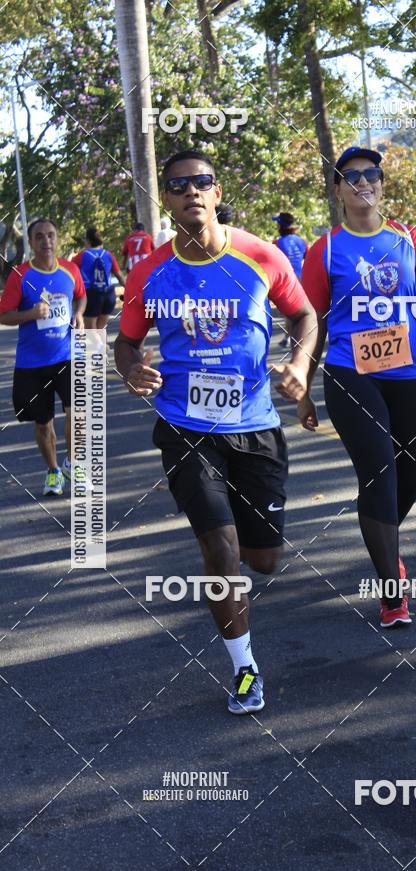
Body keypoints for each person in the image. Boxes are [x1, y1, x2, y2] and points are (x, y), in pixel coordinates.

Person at [114, 149, 317, 714]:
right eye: (178, 186)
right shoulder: (148, 272)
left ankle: (238, 579)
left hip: (254, 424)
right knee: (218, 546)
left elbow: (303, 314)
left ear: (217, 191)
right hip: (184, 425)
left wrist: (300, 367)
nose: (191, 192)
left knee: (263, 558)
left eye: (201, 182)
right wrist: (130, 368)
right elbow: (125, 339)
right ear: (168, 199)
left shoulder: (260, 254)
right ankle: (244, 667)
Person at [301, 146, 416, 627]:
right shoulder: (325, 249)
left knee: (405, 480)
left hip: (410, 375)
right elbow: (311, 323)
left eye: (371, 174)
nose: (362, 182)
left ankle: (386, 544)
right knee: (379, 472)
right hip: (352, 374)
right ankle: (392, 591)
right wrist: (304, 385)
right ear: (337, 190)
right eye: (351, 177)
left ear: (382, 183)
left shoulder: (410, 240)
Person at [0, 218, 86, 495]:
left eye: (50, 235)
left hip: (66, 355)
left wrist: (79, 314)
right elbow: (4, 314)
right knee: (42, 424)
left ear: (57, 238)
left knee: (76, 413)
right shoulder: (21, 275)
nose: (46, 241)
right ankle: (53, 472)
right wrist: (30, 314)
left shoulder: (70, 269)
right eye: (40, 237)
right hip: (32, 364)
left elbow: (81, 295)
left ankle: (72, 462)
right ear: (32, 242)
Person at [73, 226, 125, 329]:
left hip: (91, 295)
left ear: (87, 240)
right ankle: (102, 345)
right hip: (109, 295)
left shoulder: (82, 256)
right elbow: (120, 277)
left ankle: (100, 345)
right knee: (100, 330)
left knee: (90, 330)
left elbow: (69, 273)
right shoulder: (108, 255)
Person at [272, 212, 308, 348]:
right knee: (299, 311)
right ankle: (295, 338)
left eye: (277, 224)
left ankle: (290, 338)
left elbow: (273, 263)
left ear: (281, 226)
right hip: (302, 279)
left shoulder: (277, 243)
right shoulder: (302, 241)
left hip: (288, 281)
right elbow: (308, 259)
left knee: (290, 311)